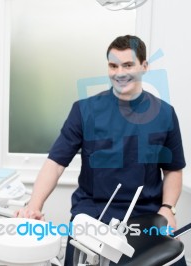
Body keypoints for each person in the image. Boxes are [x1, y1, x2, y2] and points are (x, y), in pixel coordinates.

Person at [15, 35, 186, 265]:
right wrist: (34, 206)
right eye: (113, 65)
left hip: (145, 219)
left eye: (128, 65)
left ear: (144, 67)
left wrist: (168, 209)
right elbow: (55, 164)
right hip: (93, 218)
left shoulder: (164, 114)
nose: (119, 73)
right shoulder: (85, 111)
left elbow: (173, 170)